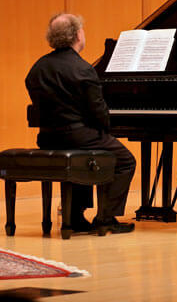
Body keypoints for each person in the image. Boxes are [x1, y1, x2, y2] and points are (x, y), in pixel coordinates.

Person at [25, 12, 136, 234]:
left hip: (47, 138)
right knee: (125, 160)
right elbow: (98, 112)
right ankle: (106, 217)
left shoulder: (38, 67)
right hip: (78, 135)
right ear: (77, 34)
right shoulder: (83, 68)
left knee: (84, 154)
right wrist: (107, 130)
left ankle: (75, 216)